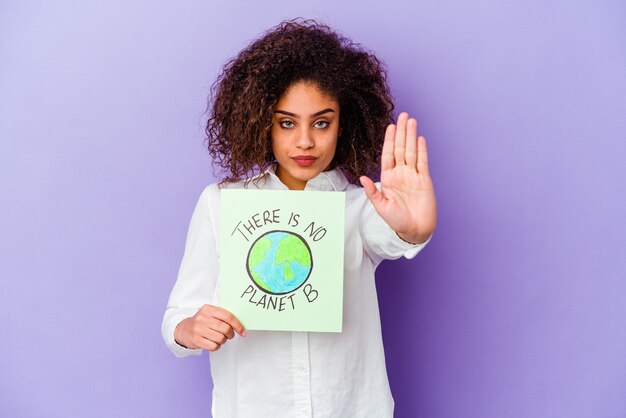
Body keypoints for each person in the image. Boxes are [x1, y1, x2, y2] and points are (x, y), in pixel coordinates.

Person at [162, 18, 437, 418]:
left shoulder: (361, 207)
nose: (305, 140)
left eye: (321, 123)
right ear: (262, 124)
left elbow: (396, 235)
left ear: (344, 125)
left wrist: (414, 228)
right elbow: (178, 317)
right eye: (287, 122)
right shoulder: (220, 204)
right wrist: (189, 329)